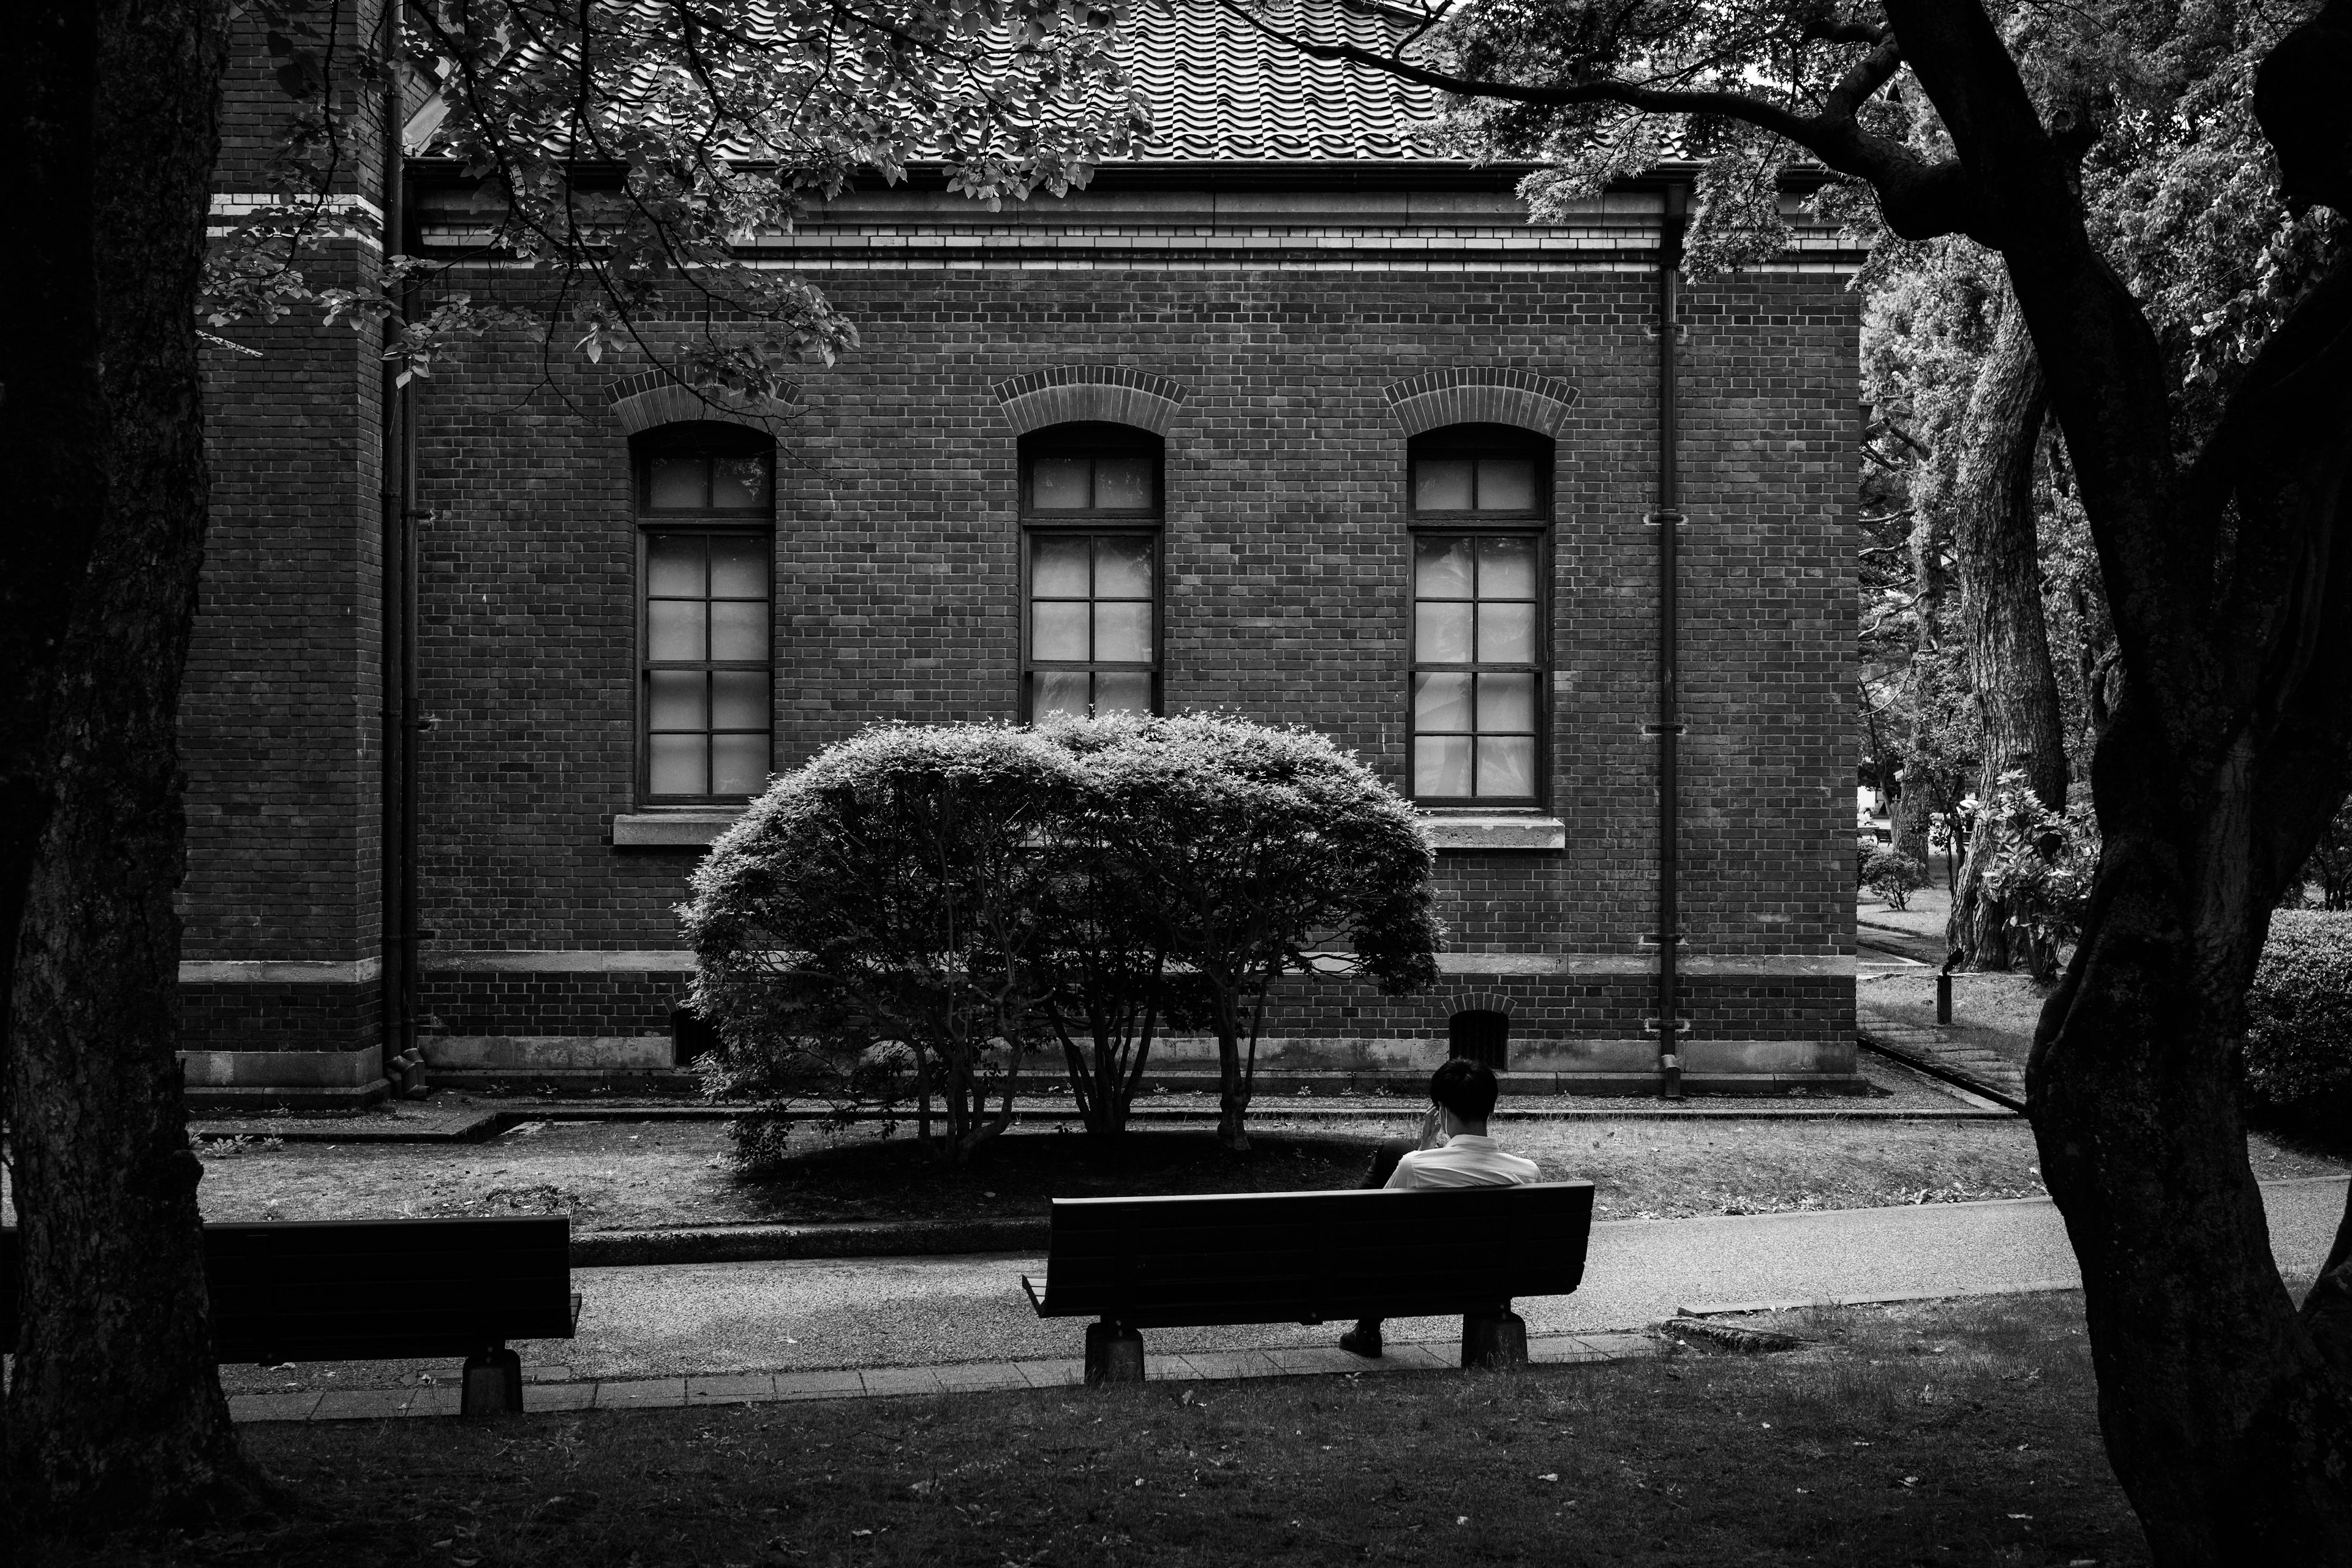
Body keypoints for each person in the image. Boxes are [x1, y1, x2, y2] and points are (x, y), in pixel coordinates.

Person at [1339, 1058, 1540, 1359]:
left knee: (1391, 1154)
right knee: (1394, 1150)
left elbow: (1371, 1221)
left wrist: (1423, 1150)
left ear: (1442, 1111)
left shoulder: (1415, 1167)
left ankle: (1368, 1328)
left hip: (1414, 1279)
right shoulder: (1528, 1173)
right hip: (1492, 1277)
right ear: (1492, 1109)